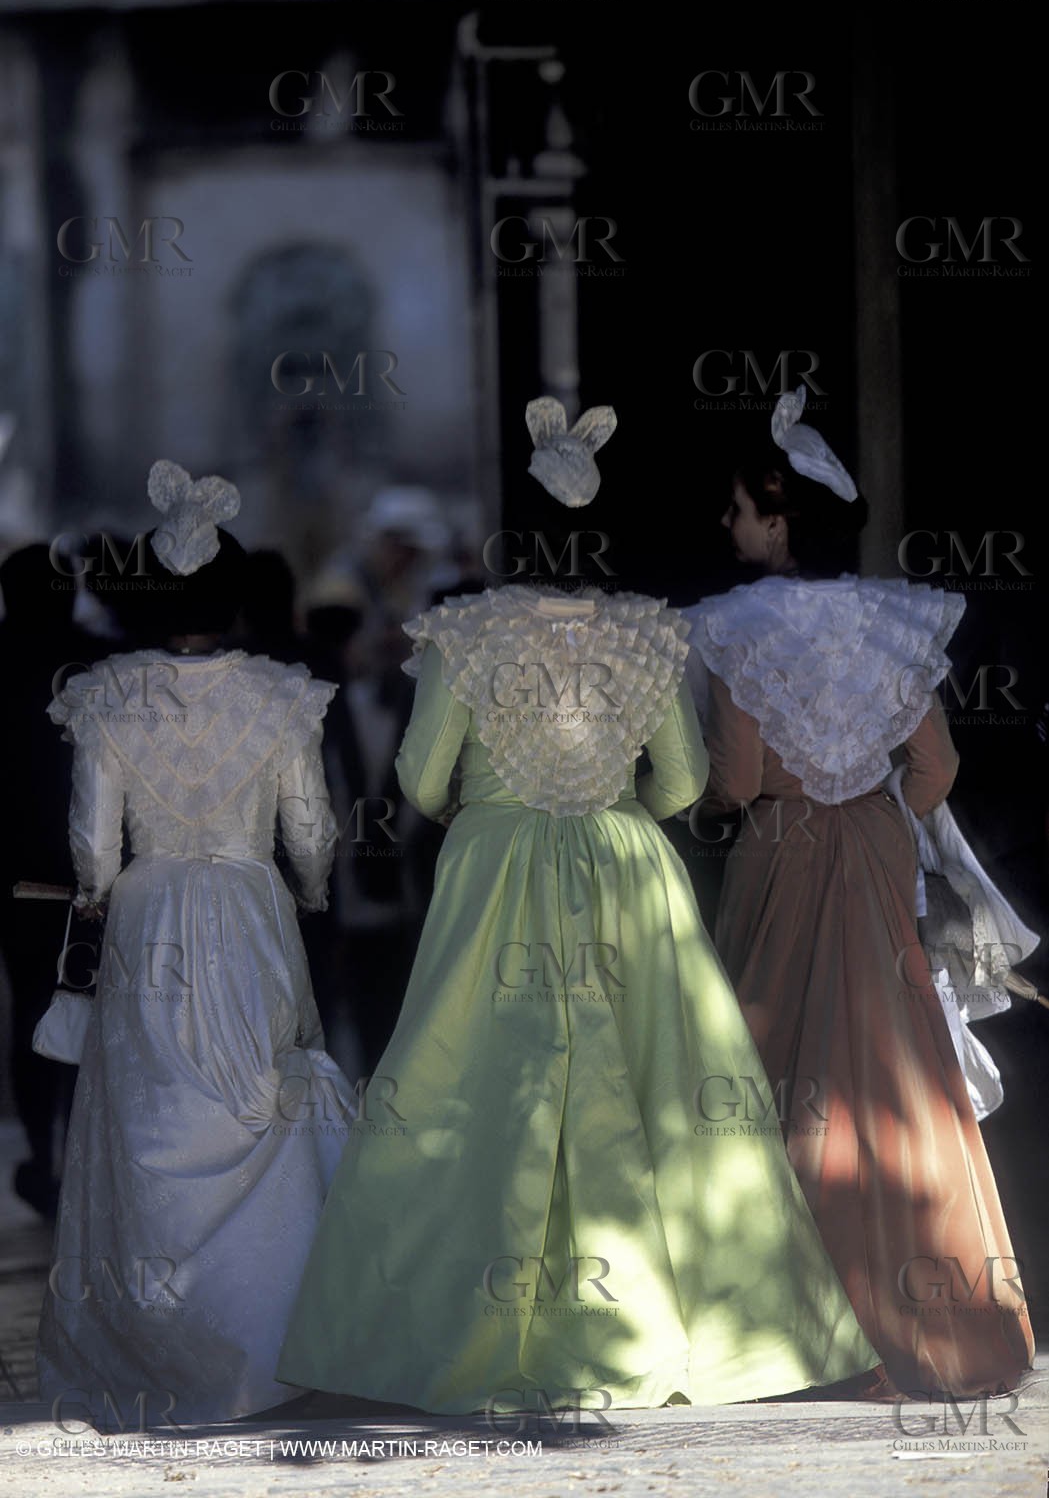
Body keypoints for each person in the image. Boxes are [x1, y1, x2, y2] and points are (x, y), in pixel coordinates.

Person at [277, 398, 878, 1414]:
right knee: (656, 1089)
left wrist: (499, 803)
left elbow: (422, 781)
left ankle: (463, 1329)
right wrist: (611, 810)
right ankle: (681, 1325)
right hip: (624, 861)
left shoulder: (463, 633)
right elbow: (684, 785)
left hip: (496, 868)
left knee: (473, 1087)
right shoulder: (648, 633)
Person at [683, 387, 1035, 1397]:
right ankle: (937, 1308)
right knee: (894, 1062)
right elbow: (934, 767)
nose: (726, 524)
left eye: (737, 510)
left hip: (782, 850)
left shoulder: (736, 627)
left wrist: (719, 812)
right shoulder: (889, 622)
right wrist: (875, 808)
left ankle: (787, 1322)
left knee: (775, 1051)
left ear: (778, 515)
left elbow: (736, 781)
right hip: (875, 849)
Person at [37, 461, 355, 1428]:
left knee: (148, 1129)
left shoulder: (107, 696)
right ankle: (277, 1341)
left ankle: (166, 1342)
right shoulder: (279, 696)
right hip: (250, 916)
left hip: (148, 919)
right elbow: (311, 827)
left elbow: (93, 843)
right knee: (262, 1108)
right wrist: (304, 891)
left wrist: (99, 898)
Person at [0, 545, 103, 1216]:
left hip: (11, 880)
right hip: (89, 873)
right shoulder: (100, 662)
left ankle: (42, 1151)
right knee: (92, 1013)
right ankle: (86, 1154)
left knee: (29, 1009)